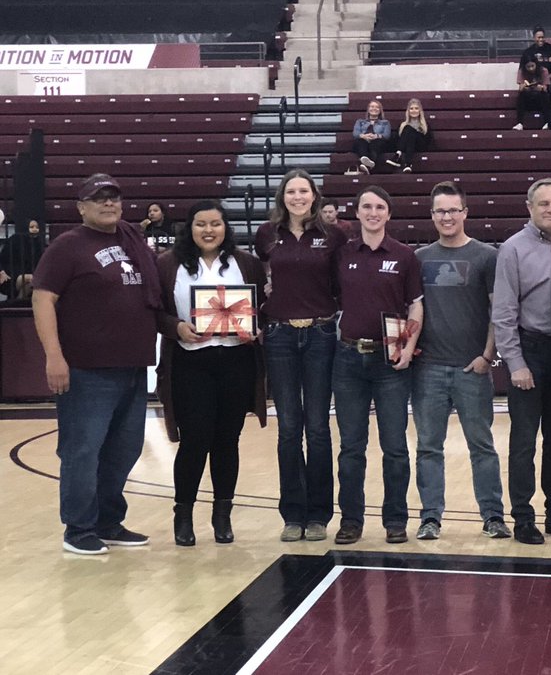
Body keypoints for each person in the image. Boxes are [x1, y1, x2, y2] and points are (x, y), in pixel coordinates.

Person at [32, 174, 162, 555]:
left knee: (125, 449)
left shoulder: (133, 241)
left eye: (114, 198)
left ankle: (108, 520)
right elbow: (43, 300)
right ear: (81, 207)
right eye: (99, 199)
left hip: (134, 367)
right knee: (83, 450)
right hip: (87, 371)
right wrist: (54, 357)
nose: (109, 204)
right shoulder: (67, 246)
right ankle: (78, 527)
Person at [155, 200, 267, 546]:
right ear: (189, 227)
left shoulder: (246, 263)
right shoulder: (168, 264)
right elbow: (156, 311)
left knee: (226, 441)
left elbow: (261, 306)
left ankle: (223, 516)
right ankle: (183, 514)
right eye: (201, 223)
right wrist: (176, 328)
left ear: (225, 227)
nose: (208, 230)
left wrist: (256, 328)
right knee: (194, 440)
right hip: (191, 362)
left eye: (215, 224)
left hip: (235, 360)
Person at [413, 181, 511, 542]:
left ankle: (493, 516)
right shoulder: (419, 258)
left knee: (481, 446)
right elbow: (412, 310)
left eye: (453, 210)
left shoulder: (487, 256)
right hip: (429, 370)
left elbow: (497, 311)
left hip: (472, 368)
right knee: (428, 447)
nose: (447, 216)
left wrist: (488, 356)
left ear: (465, 213)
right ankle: (429, 518)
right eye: (440, 210)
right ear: (432, 214)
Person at [254, 170, 348, 542]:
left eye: (303, 191)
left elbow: (343, 284)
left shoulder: (332, 236)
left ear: (314, 196)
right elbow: (258, 278)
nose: (297, 197)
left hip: (321, 334)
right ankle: (293, 513)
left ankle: (320, 515)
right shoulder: (267, 234)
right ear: (283, 196)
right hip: (278, 335)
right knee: (289, 428)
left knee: (319, 427)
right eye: (291, 191)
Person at [493, 178, 551, 545]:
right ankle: (522, 517)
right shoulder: (512, 249)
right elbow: (503, 312)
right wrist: (515, 362)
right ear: (529, 207)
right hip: (529, 350)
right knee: (523, 442)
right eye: (543, 203)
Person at [329, 186, 423, 545]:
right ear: (357, 212)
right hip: (348, 358)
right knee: (351, 447)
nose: (372, 212)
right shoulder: (342, 254)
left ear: (388, 214)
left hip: (390, 361)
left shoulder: (403, 256)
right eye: (366, 206)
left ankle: (395, 521)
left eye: (379, 207)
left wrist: (408, 346)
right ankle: (351, 521)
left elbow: (415, 305)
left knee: (395, 446)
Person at [0, 218, 45, 301]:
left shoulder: (39, 243)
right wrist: (2, 271)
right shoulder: (14, 241)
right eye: (32, 227)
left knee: (31, 284)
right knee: (31, 279)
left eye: (37, 227)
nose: (35, 229)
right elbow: (2, 259)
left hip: (31, 276)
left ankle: (17, 303)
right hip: (10, 275)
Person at [386, 99, 431, 173]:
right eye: (411, 108)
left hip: (420, 146)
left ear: (420, 111)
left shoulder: (425, 125)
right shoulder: (402, 125)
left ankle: (398, 155)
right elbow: (398, 140)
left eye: (416, 108)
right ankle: (408, 164)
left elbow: (428, 141)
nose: (414, 111)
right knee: (408, 131)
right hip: (407, 146)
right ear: (408, 111)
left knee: (409, 129)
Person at [351, 100, 391, 174]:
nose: (374, 109)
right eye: (372, 106)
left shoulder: (385, 123)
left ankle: (366, 165)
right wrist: (364, 136)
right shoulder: (360, 121)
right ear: (368, 109)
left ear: (380, 110)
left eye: (377, 107)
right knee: (360, 141)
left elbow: (387, 135)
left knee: (377, 143)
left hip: (377, 142)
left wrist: (376, 136)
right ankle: (367, 161)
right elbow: (355, 134)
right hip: (363, 141)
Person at [513, 59, 551, 130]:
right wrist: (523, 87)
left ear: (536, 64)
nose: (531, 69)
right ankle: (520, 123)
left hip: (539, 98)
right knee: (521, 95)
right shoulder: (522, 71)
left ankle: (547, 122)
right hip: (528, 98)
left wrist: (541, 88)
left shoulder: (543, 70)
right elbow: (520, 87)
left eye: (532, 66)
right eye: (528, 67)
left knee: (544, 95)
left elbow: (545, 88)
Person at [519, 26, 551, 93]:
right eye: (539, 37)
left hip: (548, 78)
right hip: (532, 79)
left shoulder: (550, 48)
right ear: (534, 38)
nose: (541, 39)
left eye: (542, 37)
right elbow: (522, 69)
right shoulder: (528, 52)